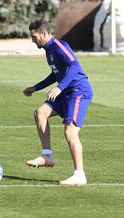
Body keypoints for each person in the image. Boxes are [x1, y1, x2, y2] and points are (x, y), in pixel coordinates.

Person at [23, 19, 93, 185]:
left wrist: (59, 88)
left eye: (34, 37)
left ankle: (79, 175)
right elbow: (56, 74)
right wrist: (35, 87)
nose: (33, 40)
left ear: (45, 34)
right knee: (40, 113)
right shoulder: (49, 51)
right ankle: (47, 155)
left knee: (70, 132)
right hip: (66, 92)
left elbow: (74, 66)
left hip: (78, 92)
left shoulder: (59, 46)